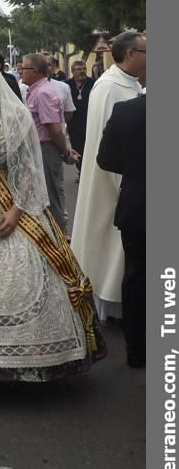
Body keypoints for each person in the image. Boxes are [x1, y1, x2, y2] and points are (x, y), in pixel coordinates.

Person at [0, 53, 105, 382]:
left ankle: (37, 355)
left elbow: (28, 170)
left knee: (30, 278)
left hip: (17, 207)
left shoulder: (17, 115)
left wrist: (17, 208)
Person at [72, 30, 146, 321]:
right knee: (119, 253)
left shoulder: (125, 85)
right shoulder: (111, 88)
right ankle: (117, 308)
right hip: (116, 185)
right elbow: (114, 150)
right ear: (131, 55)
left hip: (128, 183)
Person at [97, 94, 146, 367]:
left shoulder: (125, 111)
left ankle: (137, 350)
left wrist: (137, 171)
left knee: (137, 276)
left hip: (138, 203)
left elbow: (105, 159)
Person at [20, 53, 75, 232]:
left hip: (46, 150)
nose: (20, 71)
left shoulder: (43, 93)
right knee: (42, 197)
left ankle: (59, 242)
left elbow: (55, 129)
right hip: (39, 149)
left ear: (34, 71)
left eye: (24, 68)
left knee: (51, 199)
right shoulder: (35, 90)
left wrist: (65, 153)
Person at [66, 59, 94, 170]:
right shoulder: (67, 85)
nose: (82, 71)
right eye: (78, 69)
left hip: (90, 123)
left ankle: (88, 172)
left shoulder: (93, 83)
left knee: (91, 150)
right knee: (78, 149)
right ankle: (82, 171)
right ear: (73, 71)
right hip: (74, 124)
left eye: (84, 68)